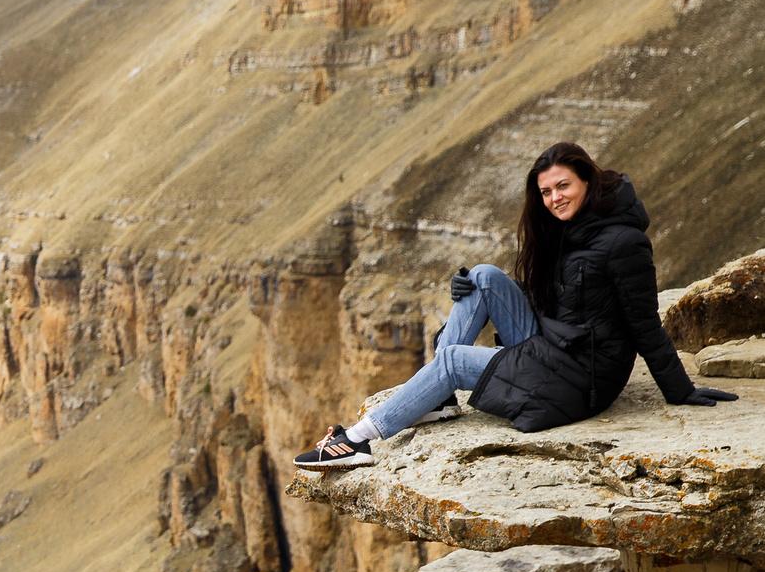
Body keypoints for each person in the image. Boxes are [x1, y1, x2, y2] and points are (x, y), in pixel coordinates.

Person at [294, 141, 736, 470]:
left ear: (588, 180)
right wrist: (469, 288)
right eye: (546, 192)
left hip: (580, 377)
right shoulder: (571, 229)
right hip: (554, 349)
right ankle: (440, 398)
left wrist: (680, 390)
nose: (554, 198)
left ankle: (357, 440)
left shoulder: (624, 243)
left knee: (452, 360)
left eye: (563, 186)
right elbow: (562, 295)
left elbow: (644, 323)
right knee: (483, 276)